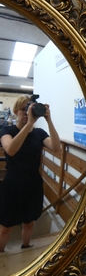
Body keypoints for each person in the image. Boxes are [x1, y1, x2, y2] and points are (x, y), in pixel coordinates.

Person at [0, 95, 60, 252]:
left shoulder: (39, 133)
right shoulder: (7, 130)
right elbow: (11, 150)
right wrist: (29, 125)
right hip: (12, 184)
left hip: (33, 183)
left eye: (30, 109)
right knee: (6, 225)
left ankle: (25, 246)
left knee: (29, 222)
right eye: (24, 109)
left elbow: (56, 147)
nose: (27, 113)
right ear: (15, 111)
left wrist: (49, 120)